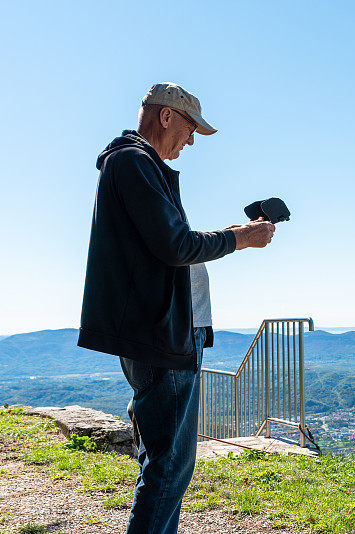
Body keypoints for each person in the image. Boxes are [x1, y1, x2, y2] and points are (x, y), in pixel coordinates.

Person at [78, 82, 274, 534]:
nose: (190, 141)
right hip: (160, 335)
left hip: (164, 333)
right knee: (169, 466)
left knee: (165, 462)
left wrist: (226, 235)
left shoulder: (138, 165)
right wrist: (240, 239)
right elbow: (174, 245)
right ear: (166, 116)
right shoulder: (133, 161)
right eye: (190, 129)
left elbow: (170, 245)